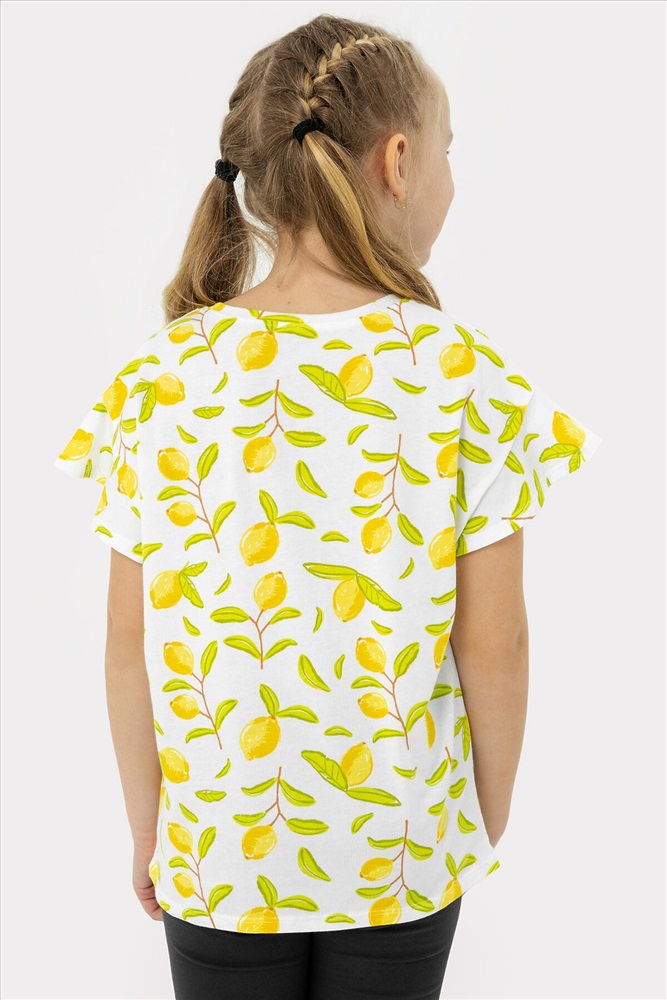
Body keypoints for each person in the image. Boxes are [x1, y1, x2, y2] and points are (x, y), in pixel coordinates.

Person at [53, 13, 603, 1000]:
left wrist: (149, 824)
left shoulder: (162, 377)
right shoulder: (460, 374)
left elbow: (129, 641)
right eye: (448, 152)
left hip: (218, 849)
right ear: (398, 161)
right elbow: (496, 645)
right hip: (403, 844)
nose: (450, 178)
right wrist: (482, 815)